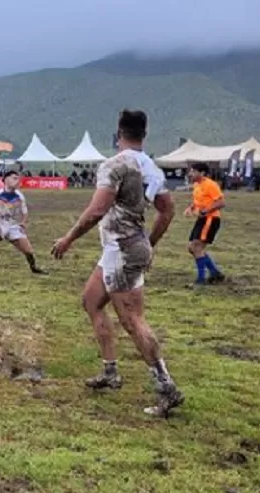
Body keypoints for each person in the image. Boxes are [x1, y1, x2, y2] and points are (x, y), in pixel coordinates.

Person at [51, 109, 182, 417]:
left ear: (118, 133)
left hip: (122, 250)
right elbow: (167, 210)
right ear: (143, 135)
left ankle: (167, 387)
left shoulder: (115, 164)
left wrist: (68, 238)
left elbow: (97, 211)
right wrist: (148, 244)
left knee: (132, 319)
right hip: (123, 248)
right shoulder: (151, 167)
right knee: (91, 301)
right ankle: (110, 372)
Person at [0, 171, 46, 278]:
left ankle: (34, 267)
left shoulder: (20, 196)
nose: (17, 181)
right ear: (6, 180)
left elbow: (25, 212)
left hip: (13, 226)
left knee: (29, 251)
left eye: (18, 178)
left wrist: (23, 223)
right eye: (14, 178)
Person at [184, 162, 226, 285]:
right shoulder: (197, 185)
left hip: (210, 219)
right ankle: (215, 273)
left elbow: (221, 202)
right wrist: (191, 207)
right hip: (202, 219)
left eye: (193, 171)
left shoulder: (210, 185)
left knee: (197, 247)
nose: (190, 174)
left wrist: (206, 210)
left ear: (202, 173)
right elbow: (199, 200)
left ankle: (201, 279)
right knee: (191, 248)